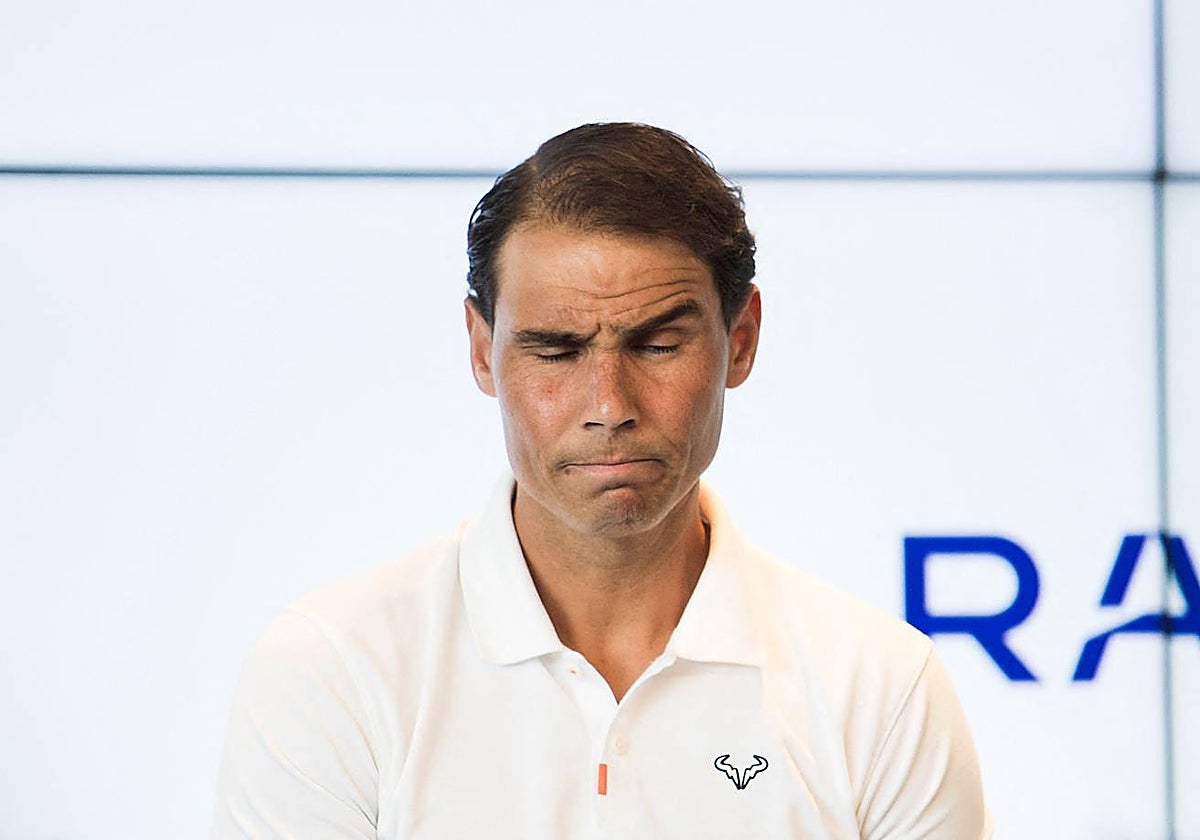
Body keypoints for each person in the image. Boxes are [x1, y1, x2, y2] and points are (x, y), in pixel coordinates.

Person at [210, 122, 991, 839]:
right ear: (482, 350)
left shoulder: (879, 686)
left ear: (740, 339)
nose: (609, 407)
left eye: (656, 344)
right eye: (556, 350)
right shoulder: (335, 669)